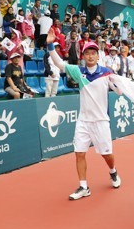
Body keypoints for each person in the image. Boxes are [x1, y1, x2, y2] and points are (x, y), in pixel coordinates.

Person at [46, 28, 122, 200]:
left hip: (101, 121)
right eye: (87, 53)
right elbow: (59, 64)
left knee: (106, 155)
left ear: (98, 55)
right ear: (83, 56)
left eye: (93, 53)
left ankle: (113, 171)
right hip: (83, 121)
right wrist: (50, 45)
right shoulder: (79, 71)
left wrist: (116, 83)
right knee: (79, 153)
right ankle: (83, 186)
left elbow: (119, 93)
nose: (90, 56)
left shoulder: (106, 73)